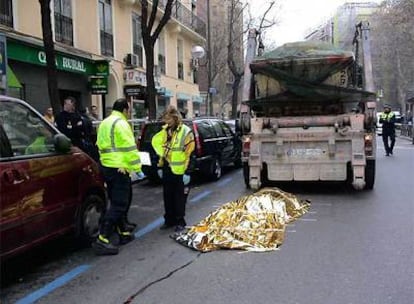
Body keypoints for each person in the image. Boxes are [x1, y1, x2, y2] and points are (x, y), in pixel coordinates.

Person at [93, 98, 145, 255]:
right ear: (125, 110)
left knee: (117, 199)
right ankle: (102, 238)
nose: (128, 114)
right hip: (120, 168)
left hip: (107, 166)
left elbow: (99, 145)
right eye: (128, 111)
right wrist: (137, 168)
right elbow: (129, 149)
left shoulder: (105, 122)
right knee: (119, 203)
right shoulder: (122, 124)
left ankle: (123, 233)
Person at [151, 106, 195, 232]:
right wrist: (160, 166)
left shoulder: (186, 132)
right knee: (167, 196)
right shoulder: (165, 132)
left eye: (169, 119)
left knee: (179, 198)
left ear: (175, 118)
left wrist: (188, 172)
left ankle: (180, 220)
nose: (167, 122)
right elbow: (161, 151)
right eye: (165, 119)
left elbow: (190, 153)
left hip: (180, 170)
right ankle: (169, 220)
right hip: (167, 168)